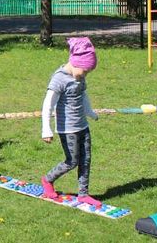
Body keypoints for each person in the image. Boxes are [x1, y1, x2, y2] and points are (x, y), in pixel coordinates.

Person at [40, 37, 102, 208]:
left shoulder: (79, 76)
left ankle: (83, 194)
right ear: (74, 62)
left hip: (83, 125)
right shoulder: (59, 79)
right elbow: (48, 105)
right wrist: (46, 129)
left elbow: (83, 95)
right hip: (67, 129)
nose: (85, 75)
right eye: (84, 71)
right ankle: (47, 180)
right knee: (72, 161)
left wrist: (90, 112)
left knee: (86, 159)